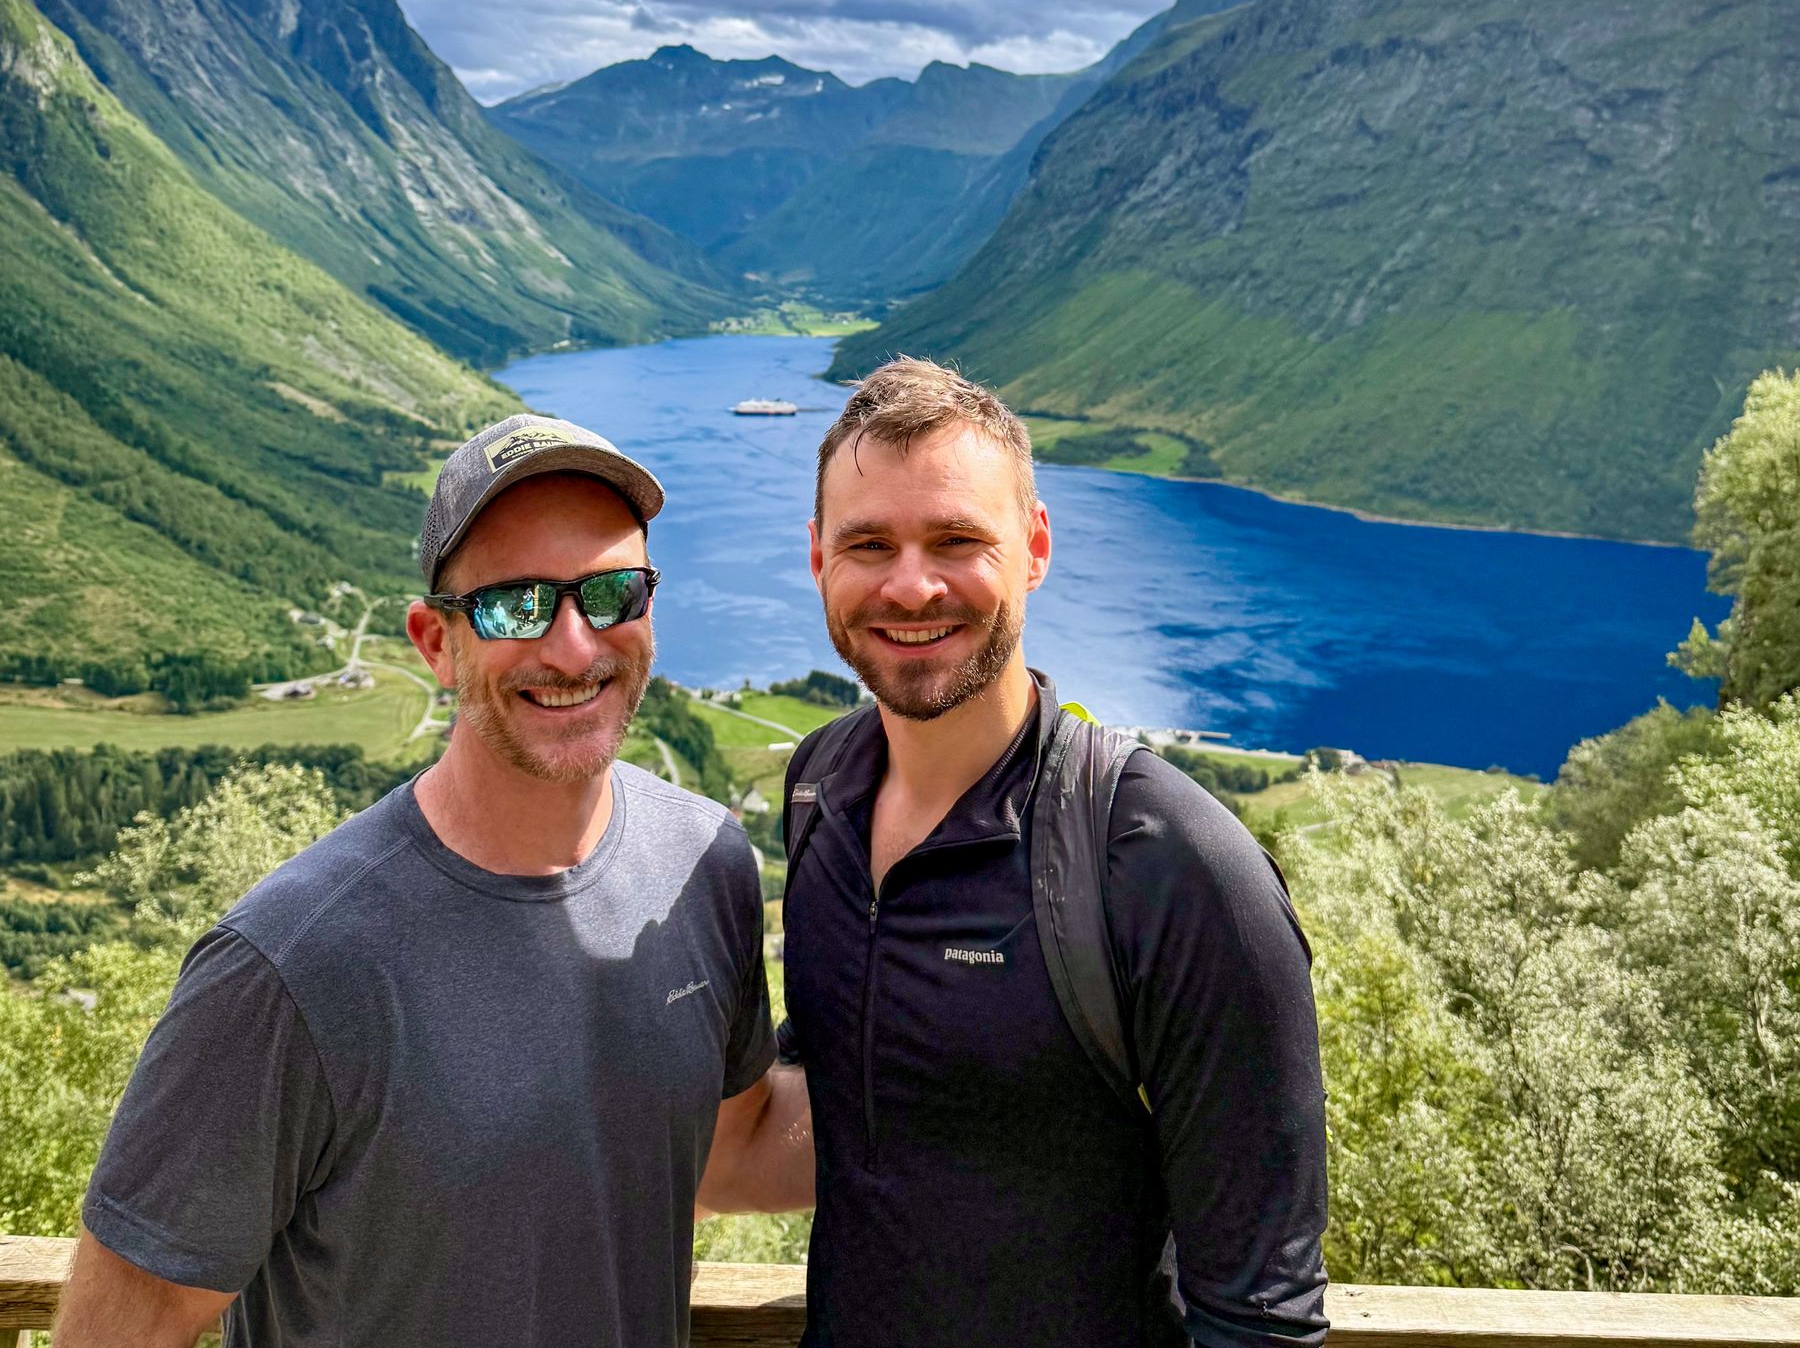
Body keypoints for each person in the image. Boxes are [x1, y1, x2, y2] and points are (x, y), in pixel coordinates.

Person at [57, 412, 812, 1348]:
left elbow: (724, 1153)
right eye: (514, 605)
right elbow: (123, 1329)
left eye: (614, 592)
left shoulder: (704, 865)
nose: (575, 647)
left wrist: (994, 1085)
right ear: (434, 641)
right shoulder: (289, 965)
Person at [780, 359, 1329, 1348]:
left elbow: (1261, 1318)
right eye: (869, 543)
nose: (912, 585)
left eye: (957, 539)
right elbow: (832, 1100)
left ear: (1033, 546)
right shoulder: (819, 791)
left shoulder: (1170, 867)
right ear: (818, 557)